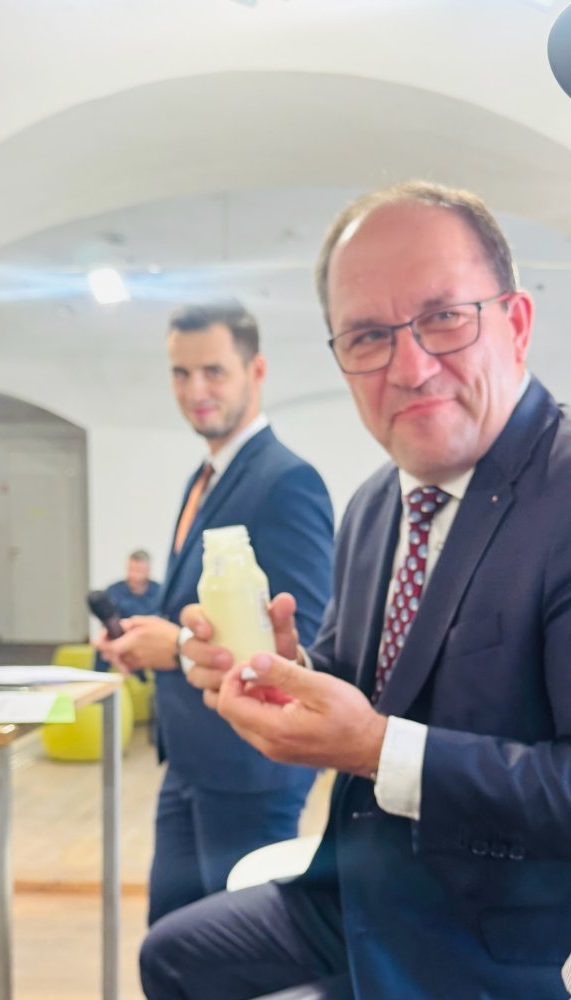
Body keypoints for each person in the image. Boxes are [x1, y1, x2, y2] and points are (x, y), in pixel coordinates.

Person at [140, 182, 571, 1000]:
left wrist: (373, 747)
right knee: (171, 956)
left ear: (515, 323)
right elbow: (361, 674)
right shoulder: (377, 502)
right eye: (369, 335)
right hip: (354, 884)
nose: (409, 369)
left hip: (496, 930)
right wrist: (284, 670)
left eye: (444, 317)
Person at [96, 300, 334, 924]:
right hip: (190, 758)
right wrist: (145, 639)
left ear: (256, 371)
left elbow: (304, 645)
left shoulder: (287, 481)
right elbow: (197, 610)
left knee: (236, 955)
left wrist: (175, 648)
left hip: (249, 770)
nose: (195, 390)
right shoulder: (204, 477)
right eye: (181, 373)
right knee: (170, 942)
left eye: (214, 371)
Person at [93, 550, 160, 672]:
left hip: (147, 643)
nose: (133, 575)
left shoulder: (160, 592)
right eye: (131, 569)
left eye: (138, 571)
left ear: (148, 571)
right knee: (103, 649)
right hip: (118, 639)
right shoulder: (113, 591)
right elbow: (105, 620)